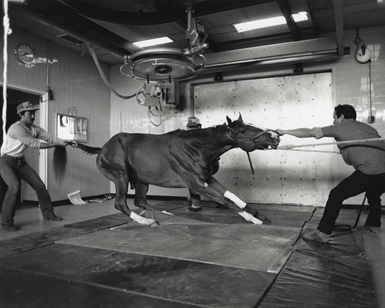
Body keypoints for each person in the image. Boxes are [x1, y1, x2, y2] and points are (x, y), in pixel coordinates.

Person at [277, 104, 385, 243]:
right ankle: (374, 225)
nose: (333, 121)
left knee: (336, 195)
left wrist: (284, 131)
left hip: (370, 170)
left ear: (341, 117)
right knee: (373, 194)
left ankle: (323, 233)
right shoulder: (368, 128)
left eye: (334, 117)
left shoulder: (339, 127)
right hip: (384, 172)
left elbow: (309, 132)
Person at [0, 102, 68, 231]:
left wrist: (62, 141)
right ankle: (6, 223)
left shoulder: (34, 129)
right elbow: (35, 144)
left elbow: (50, 138)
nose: (33, 116)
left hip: (21, 162)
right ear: (21, 114)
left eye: (33, 113)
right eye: (29, 113)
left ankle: (49, 215)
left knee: (40, 186)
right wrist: (56, 144)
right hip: (6, 161)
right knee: (14, 187)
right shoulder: (16, 128)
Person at [186, 117, 220, 211]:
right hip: (197, 165)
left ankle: (196, 204)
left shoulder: (205, 137)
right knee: (208, 183)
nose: (191, 129)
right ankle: (221, 201)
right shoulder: (188, 137)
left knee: (193, 181)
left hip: (210, 164)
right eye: (190, 127)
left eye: (194, 127)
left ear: (199, 126)